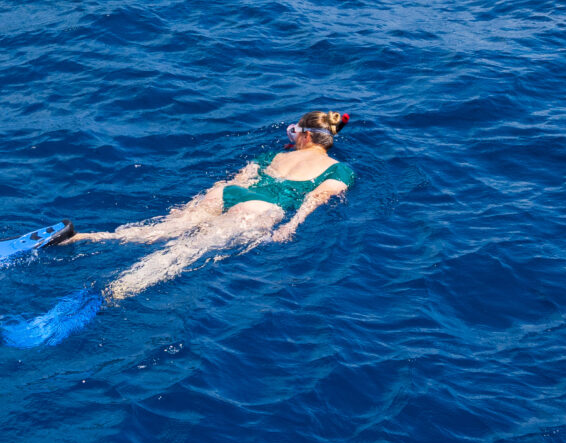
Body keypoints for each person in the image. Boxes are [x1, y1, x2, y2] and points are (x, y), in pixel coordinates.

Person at [68, 111, 355, 302]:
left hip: (227, 192)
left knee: (162, 229)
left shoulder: (273, 155)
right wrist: (291, 226)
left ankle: (91, 237)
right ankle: (118, 291)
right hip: (260, 208)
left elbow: (242, 178)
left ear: (304, 135)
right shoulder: (338, 170)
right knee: (186, 250)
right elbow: (315, 199)